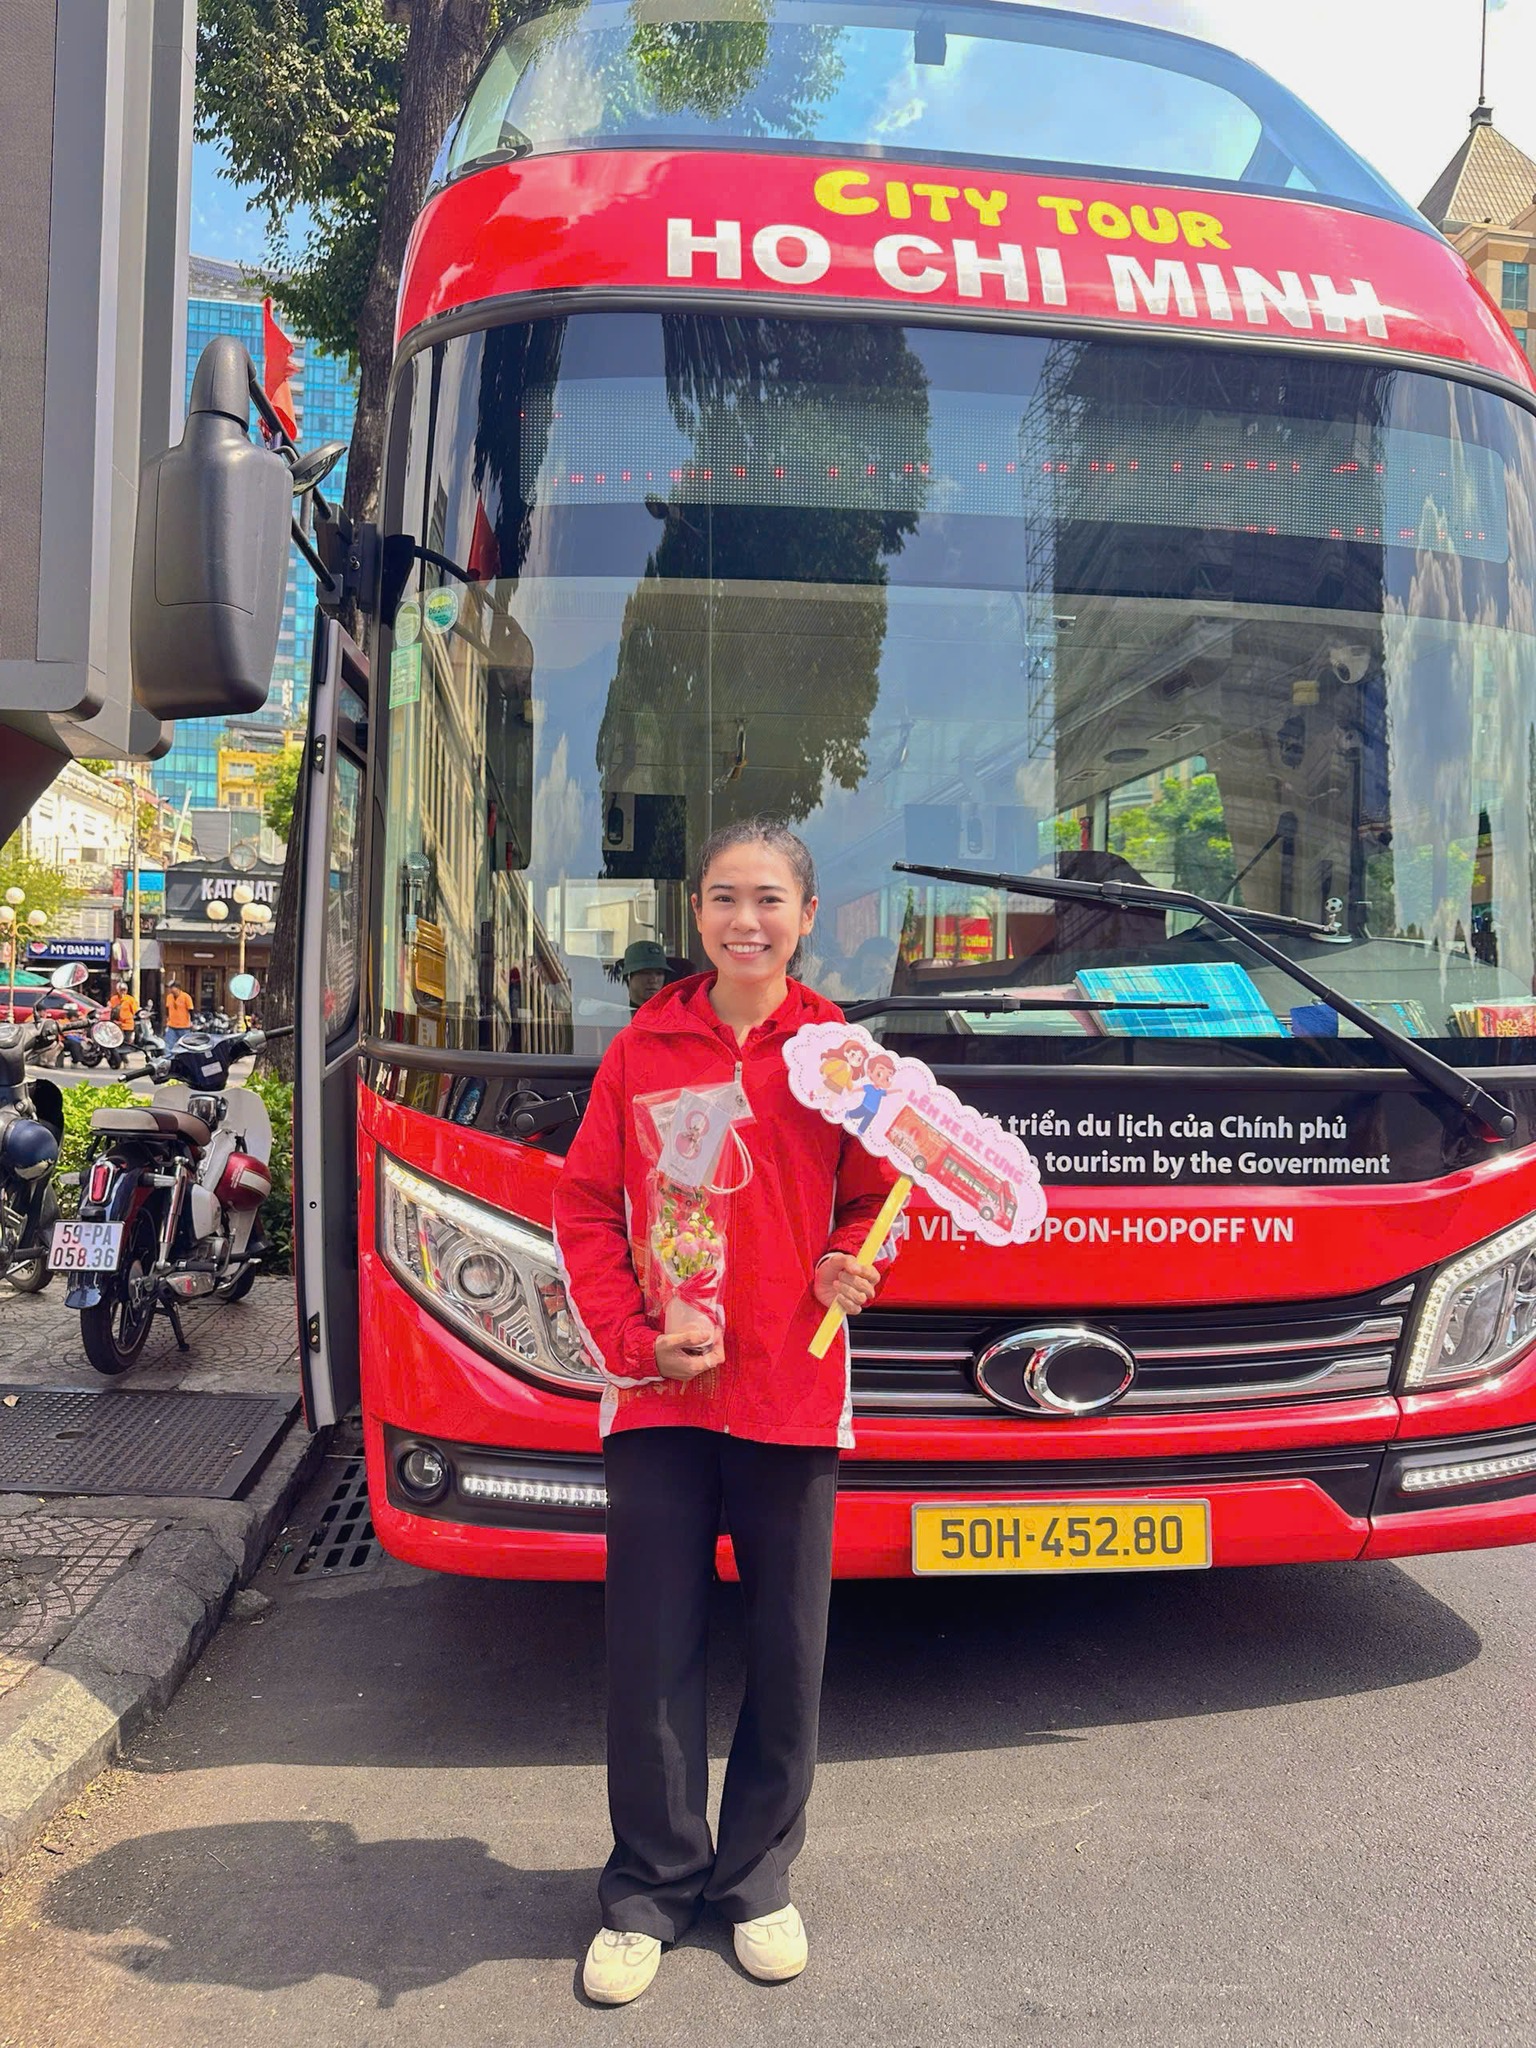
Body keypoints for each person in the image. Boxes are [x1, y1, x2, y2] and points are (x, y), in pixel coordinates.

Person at [553, 817, 899, 2007]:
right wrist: (635, 1341)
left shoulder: (845, 1061)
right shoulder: (643, 1046)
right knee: (652, 1644)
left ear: (806, 916)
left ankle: (756, 1877)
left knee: (789, 1646)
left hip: (793, 1387)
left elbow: (873, 1202)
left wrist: (852, 1259)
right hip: (661, 1393)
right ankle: (648, 1886)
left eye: (768, 898)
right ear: (695, 912)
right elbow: (585, 1207)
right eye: (721, 897)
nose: (744, 919)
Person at [620, 938, 669, 1010]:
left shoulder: (672, 1013)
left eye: (659, 973)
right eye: (646, 973)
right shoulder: (614, 1011)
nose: (653, 980)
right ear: (629, 976)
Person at [163, 977, 194, 1053]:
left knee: (185, 1046)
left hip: (184, 1026)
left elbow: (191, 1010)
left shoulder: (186, 997)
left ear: (177, 988)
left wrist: (192, 1022)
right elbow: (167, 1009)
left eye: (171, 988)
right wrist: (167, 1019)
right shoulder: (169, 997)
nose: (170, 990)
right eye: (169, 988)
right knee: (168, 1045)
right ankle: (168, 1058)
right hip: (172, 1025)